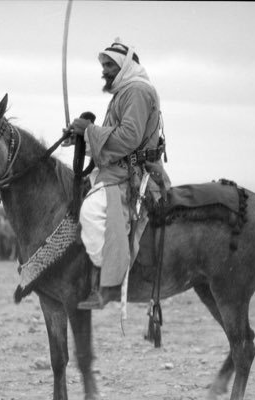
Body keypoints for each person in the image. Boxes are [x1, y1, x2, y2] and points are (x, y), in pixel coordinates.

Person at [69, 41, 171, 310]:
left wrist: (89, 130)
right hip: (117, 168)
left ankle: (108, 282)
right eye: (103, 65)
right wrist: (81, 138)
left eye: (110, 65)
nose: (104, 71)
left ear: (126, 66)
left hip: (132, 175)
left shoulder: (136, 91)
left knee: (91, 211)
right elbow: (111, 139)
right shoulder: (124, 91)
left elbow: (128, 138)